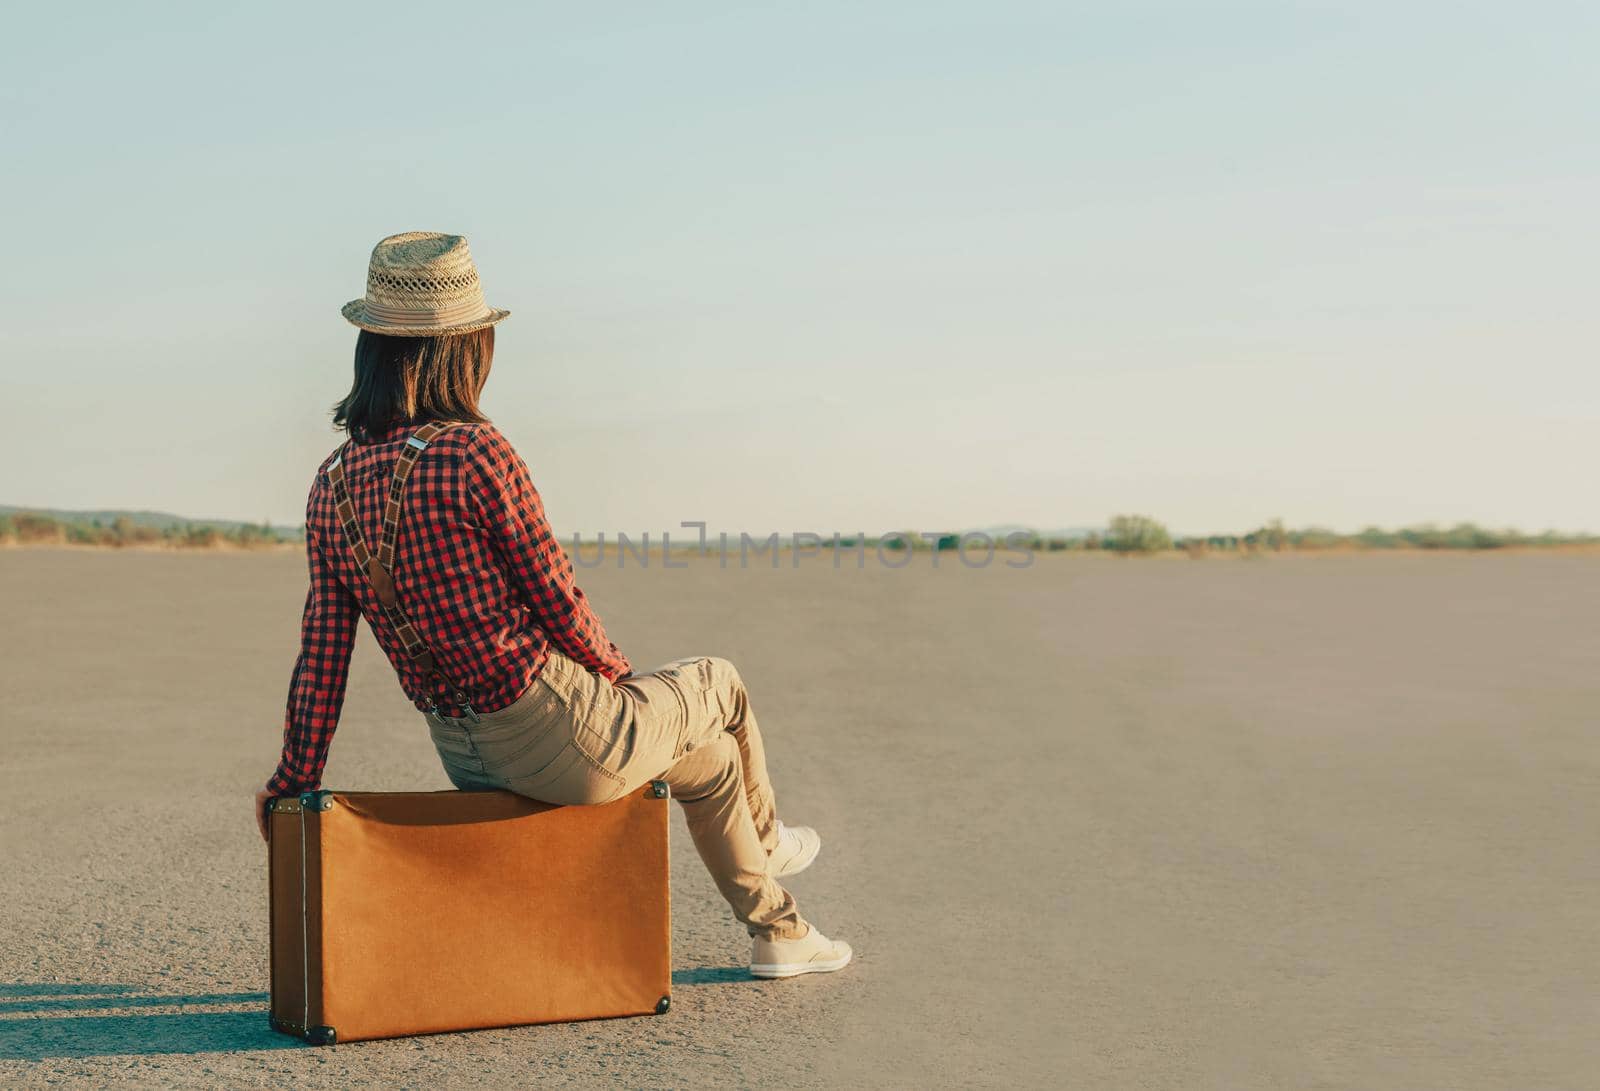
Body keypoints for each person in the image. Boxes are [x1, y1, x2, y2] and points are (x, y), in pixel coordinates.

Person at [254, 231, 851, 980]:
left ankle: (780, 934)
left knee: (714, 759)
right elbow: (558, 600)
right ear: (467, 346)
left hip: (464, 750)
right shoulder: (476, 452)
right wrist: (620, 686)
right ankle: (769, 842)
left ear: (372, 347)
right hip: (558, 730)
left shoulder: (332, 480)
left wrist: (293, 782)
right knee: (720, 682)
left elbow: (323, 655)